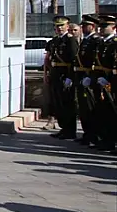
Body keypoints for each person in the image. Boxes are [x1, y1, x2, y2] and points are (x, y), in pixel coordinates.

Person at [46, 16, 78, 140]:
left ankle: (70, 130)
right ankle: (63, 128)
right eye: (57, 26)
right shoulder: (55, 41)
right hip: (56, 74)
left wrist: (70, 77)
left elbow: (74, 60)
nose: (59, 28)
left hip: (65, 74)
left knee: (67, 104)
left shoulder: (70, 40)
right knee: (58, 103)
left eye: (61, 26)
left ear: (67, 26)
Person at [91, 15, 116, 152]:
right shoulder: (101, 43)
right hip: (100, 81)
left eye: (105, 26)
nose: (101, 28)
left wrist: (109, 80)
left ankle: (111, 141)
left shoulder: (114, 43)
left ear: (113, 27)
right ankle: (105, 139)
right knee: (103, 112)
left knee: (111, 113)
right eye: (101, 26)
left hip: (110, 82)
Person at [75, 15, 99, 146]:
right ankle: (87, 134)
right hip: (81, 76)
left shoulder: (95, 40)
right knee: (83, 108)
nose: (83, 28)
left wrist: (91, 76)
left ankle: (93, 135)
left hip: (89, 76)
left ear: (93, 27)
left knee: (90, 108)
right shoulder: (85, 40)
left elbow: (95, 61)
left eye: (85, 26)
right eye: (82, 26)